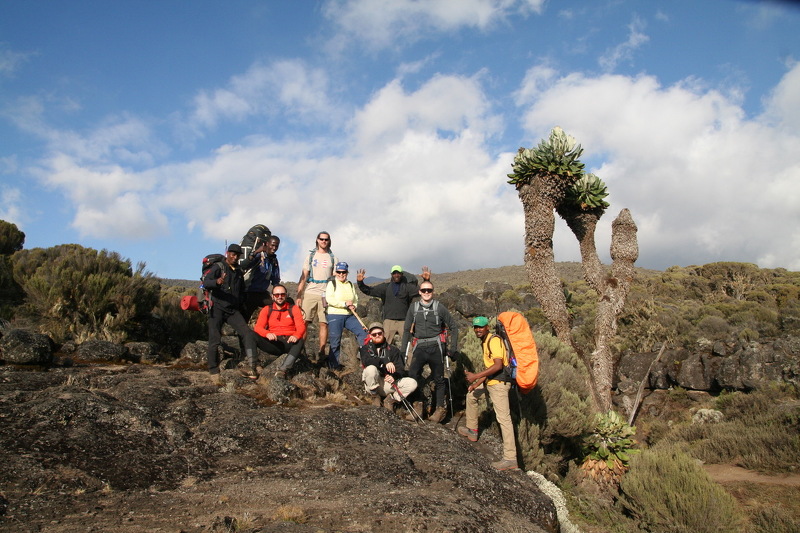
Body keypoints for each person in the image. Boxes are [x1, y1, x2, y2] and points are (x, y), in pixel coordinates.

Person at [461, 316, 519, 471]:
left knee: (504, 420)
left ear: (487, 327)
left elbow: (498, 366)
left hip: (499, 385)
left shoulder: (493, 340)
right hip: (490, 382)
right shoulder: (485, 341)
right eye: (475, 327)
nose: (478, 330)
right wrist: (477, 384)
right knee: (471, 396)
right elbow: (491, 369)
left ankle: (510, 458)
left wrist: (475, 376)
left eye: (481, 327)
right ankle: (472, 430)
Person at [400, 280, 458, 424]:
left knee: (438, 379)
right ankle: (418, 406)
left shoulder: (439, 308)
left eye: (429, 290)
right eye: (424, 290)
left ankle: (439, 410)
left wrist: (453, 349)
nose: (426, 293)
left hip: (436, 346)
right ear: (419, 292)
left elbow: (454, 327)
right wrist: (403, 351)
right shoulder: (413, 308)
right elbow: (407, 330)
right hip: (419, 346)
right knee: (413, 375)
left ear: (433, 292)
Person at [203, 243, 259, 383]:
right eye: (232, 254)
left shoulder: (238, 271)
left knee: (247, 333)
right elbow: (205, 282)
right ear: (227, 254)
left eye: (237, 255)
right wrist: (217, 281)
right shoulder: (218, 267)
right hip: (217, 308)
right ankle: (213, 370)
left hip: (232, 310)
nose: (234, 257)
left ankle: (252, 365)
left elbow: (240, 290)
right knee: (215, 339)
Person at [356, 265, 431, 348]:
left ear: (402, 274)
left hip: (404, 321)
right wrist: (360, 282)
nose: (396, 275)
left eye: (398, 273)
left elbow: (423, 290)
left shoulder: (407, 287)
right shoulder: (385, 287)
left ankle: (410, 361)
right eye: (394, 273)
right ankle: (383, 361)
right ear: (391, 274)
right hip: (389, 321)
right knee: (383, 345)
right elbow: (369, 290)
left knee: (409, 346)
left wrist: (426, 280)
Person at [295, 231, 337, 360]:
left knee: (324, 323)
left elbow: (336, 278)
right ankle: (299, 349)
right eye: (321, 239)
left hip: (326, 293)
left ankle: (322, 352)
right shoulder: (311, 256)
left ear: (329, 241)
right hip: (311, 291)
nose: (324, 241)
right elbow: (304, 276)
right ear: (317, 240)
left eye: (326, 239)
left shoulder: (333, 258)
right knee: (304, 321)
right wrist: (299, 295)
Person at [360, 322, 418, 411]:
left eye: (380, 333)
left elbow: (400, 369)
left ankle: (391, 400)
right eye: (374, 334)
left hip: (389, 384)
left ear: (383, 334)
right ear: (370, 336)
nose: (377, 335)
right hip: (373, 383)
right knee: (371, 369)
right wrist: (385, 362)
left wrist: (393, 376)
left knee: (412, 383)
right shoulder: (365, 349)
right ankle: (375, 396)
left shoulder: (393, 350)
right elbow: (367, 361)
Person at [253, 284, 306, 379]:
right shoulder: (267, 309)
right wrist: (267, 333)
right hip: (274, 343)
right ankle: (252, 366)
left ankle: (283, 370)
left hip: (289, 342)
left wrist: (296, 335)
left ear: (286, 295)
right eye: (277, 295)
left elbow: (301, 327)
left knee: (300, 340)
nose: (280, 297)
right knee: (250, 335)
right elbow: (258, 328)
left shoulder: (294, 309)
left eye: (282, 294)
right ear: (273, 296)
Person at [324, 262, 368, 370]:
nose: (341, 274)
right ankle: (333, 367)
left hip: (349, 315)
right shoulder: (332, 284)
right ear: (335, 272)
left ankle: (365, 362)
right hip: (335, 314)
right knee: (335, 341)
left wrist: (354, 305)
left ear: (347, 273)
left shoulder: (350, 284)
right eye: (339, 272)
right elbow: (329, 299)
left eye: (343, 272)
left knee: (363, 334)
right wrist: (344, 304)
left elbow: (355, 298)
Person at [241, 235, 281, 323]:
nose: (274, 248)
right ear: (267, 244)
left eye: (276, 246)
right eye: (272, 245)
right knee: (244, 319)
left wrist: (276, 294)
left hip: (262, 293)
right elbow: (244, 266)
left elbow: (275, 280)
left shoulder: (274, 260)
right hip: (249, 293)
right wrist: (255, 252)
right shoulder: (259, 256)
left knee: (277, 308)